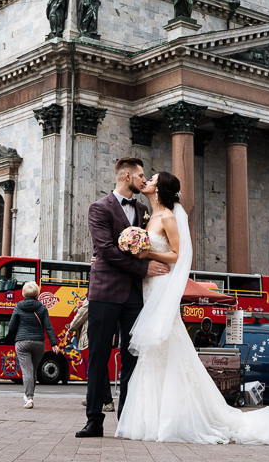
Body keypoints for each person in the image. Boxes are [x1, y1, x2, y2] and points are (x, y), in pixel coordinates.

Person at [115, 172, 269, 445]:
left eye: (152, 178)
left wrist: (147, 253)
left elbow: (177, 254)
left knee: (165, 344)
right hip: (148, 287)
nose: (147, 180)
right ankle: (152, 416)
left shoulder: (168, 218)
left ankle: (170, 418)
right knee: (154, 350)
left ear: (159, 189)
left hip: (161, 286)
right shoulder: (150, 216)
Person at [76, 157, 170, 438]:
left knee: (132, 357)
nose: (144, 180)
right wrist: (143, 266)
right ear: (126, 176)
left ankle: (127, 420)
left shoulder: (143, 210)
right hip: (105, 292)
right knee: (98, 356)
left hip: (134, 294)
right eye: (141, 175)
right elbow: (104, 249)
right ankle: (94, 420)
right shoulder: (99, 208)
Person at [5, 281, 59, 409]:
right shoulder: (42, 307)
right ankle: (29, 395)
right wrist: (54, 344)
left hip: (22, 342)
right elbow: (48, 327)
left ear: (23, 293)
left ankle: (29, 397)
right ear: (37, 293)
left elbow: (11, 326)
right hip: (38, 342)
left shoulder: (18, 306)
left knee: (27, 370)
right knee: (33, 370)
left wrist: (11, 338)